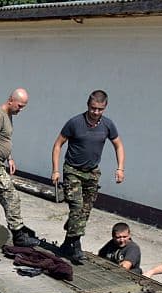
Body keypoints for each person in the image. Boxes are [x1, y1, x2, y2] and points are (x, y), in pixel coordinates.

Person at [51, 90, 126, 264]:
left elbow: (118, 145)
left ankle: (68, 241)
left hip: (92, 173)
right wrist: (56, 170)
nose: (96, 112)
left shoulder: (107, 125)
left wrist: (120, 168)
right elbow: (57, 145)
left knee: (85, 210)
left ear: (105, 108)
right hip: (72, 170)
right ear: (88, 106)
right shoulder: (75, 123)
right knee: (77, 207)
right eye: (93, 108)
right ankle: (76, 246)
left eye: (100, 109)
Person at [0, 88, 39, 248]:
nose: (21, 109)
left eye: (23, 106)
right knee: (11, 196)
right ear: (10, 100)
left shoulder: (8, 115)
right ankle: (18, 234)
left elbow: (2, 139)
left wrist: (9, 158)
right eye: (20, 106)